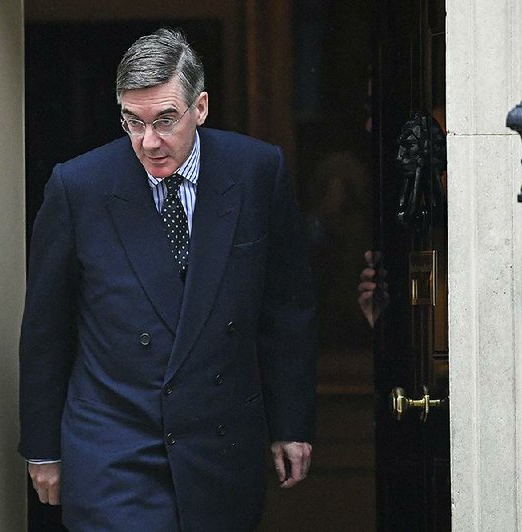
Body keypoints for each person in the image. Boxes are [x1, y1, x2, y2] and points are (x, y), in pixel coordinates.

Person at [18, 28, 317, 531]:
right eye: (132, 122)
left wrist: (291, 423)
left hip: (220, 444)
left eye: (164, 120)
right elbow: (46, 327)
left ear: (200, 107)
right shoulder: (79, 185)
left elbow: (287, 309)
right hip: (115, 447)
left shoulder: (257, 171)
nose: (148, 141)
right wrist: (43, 448)